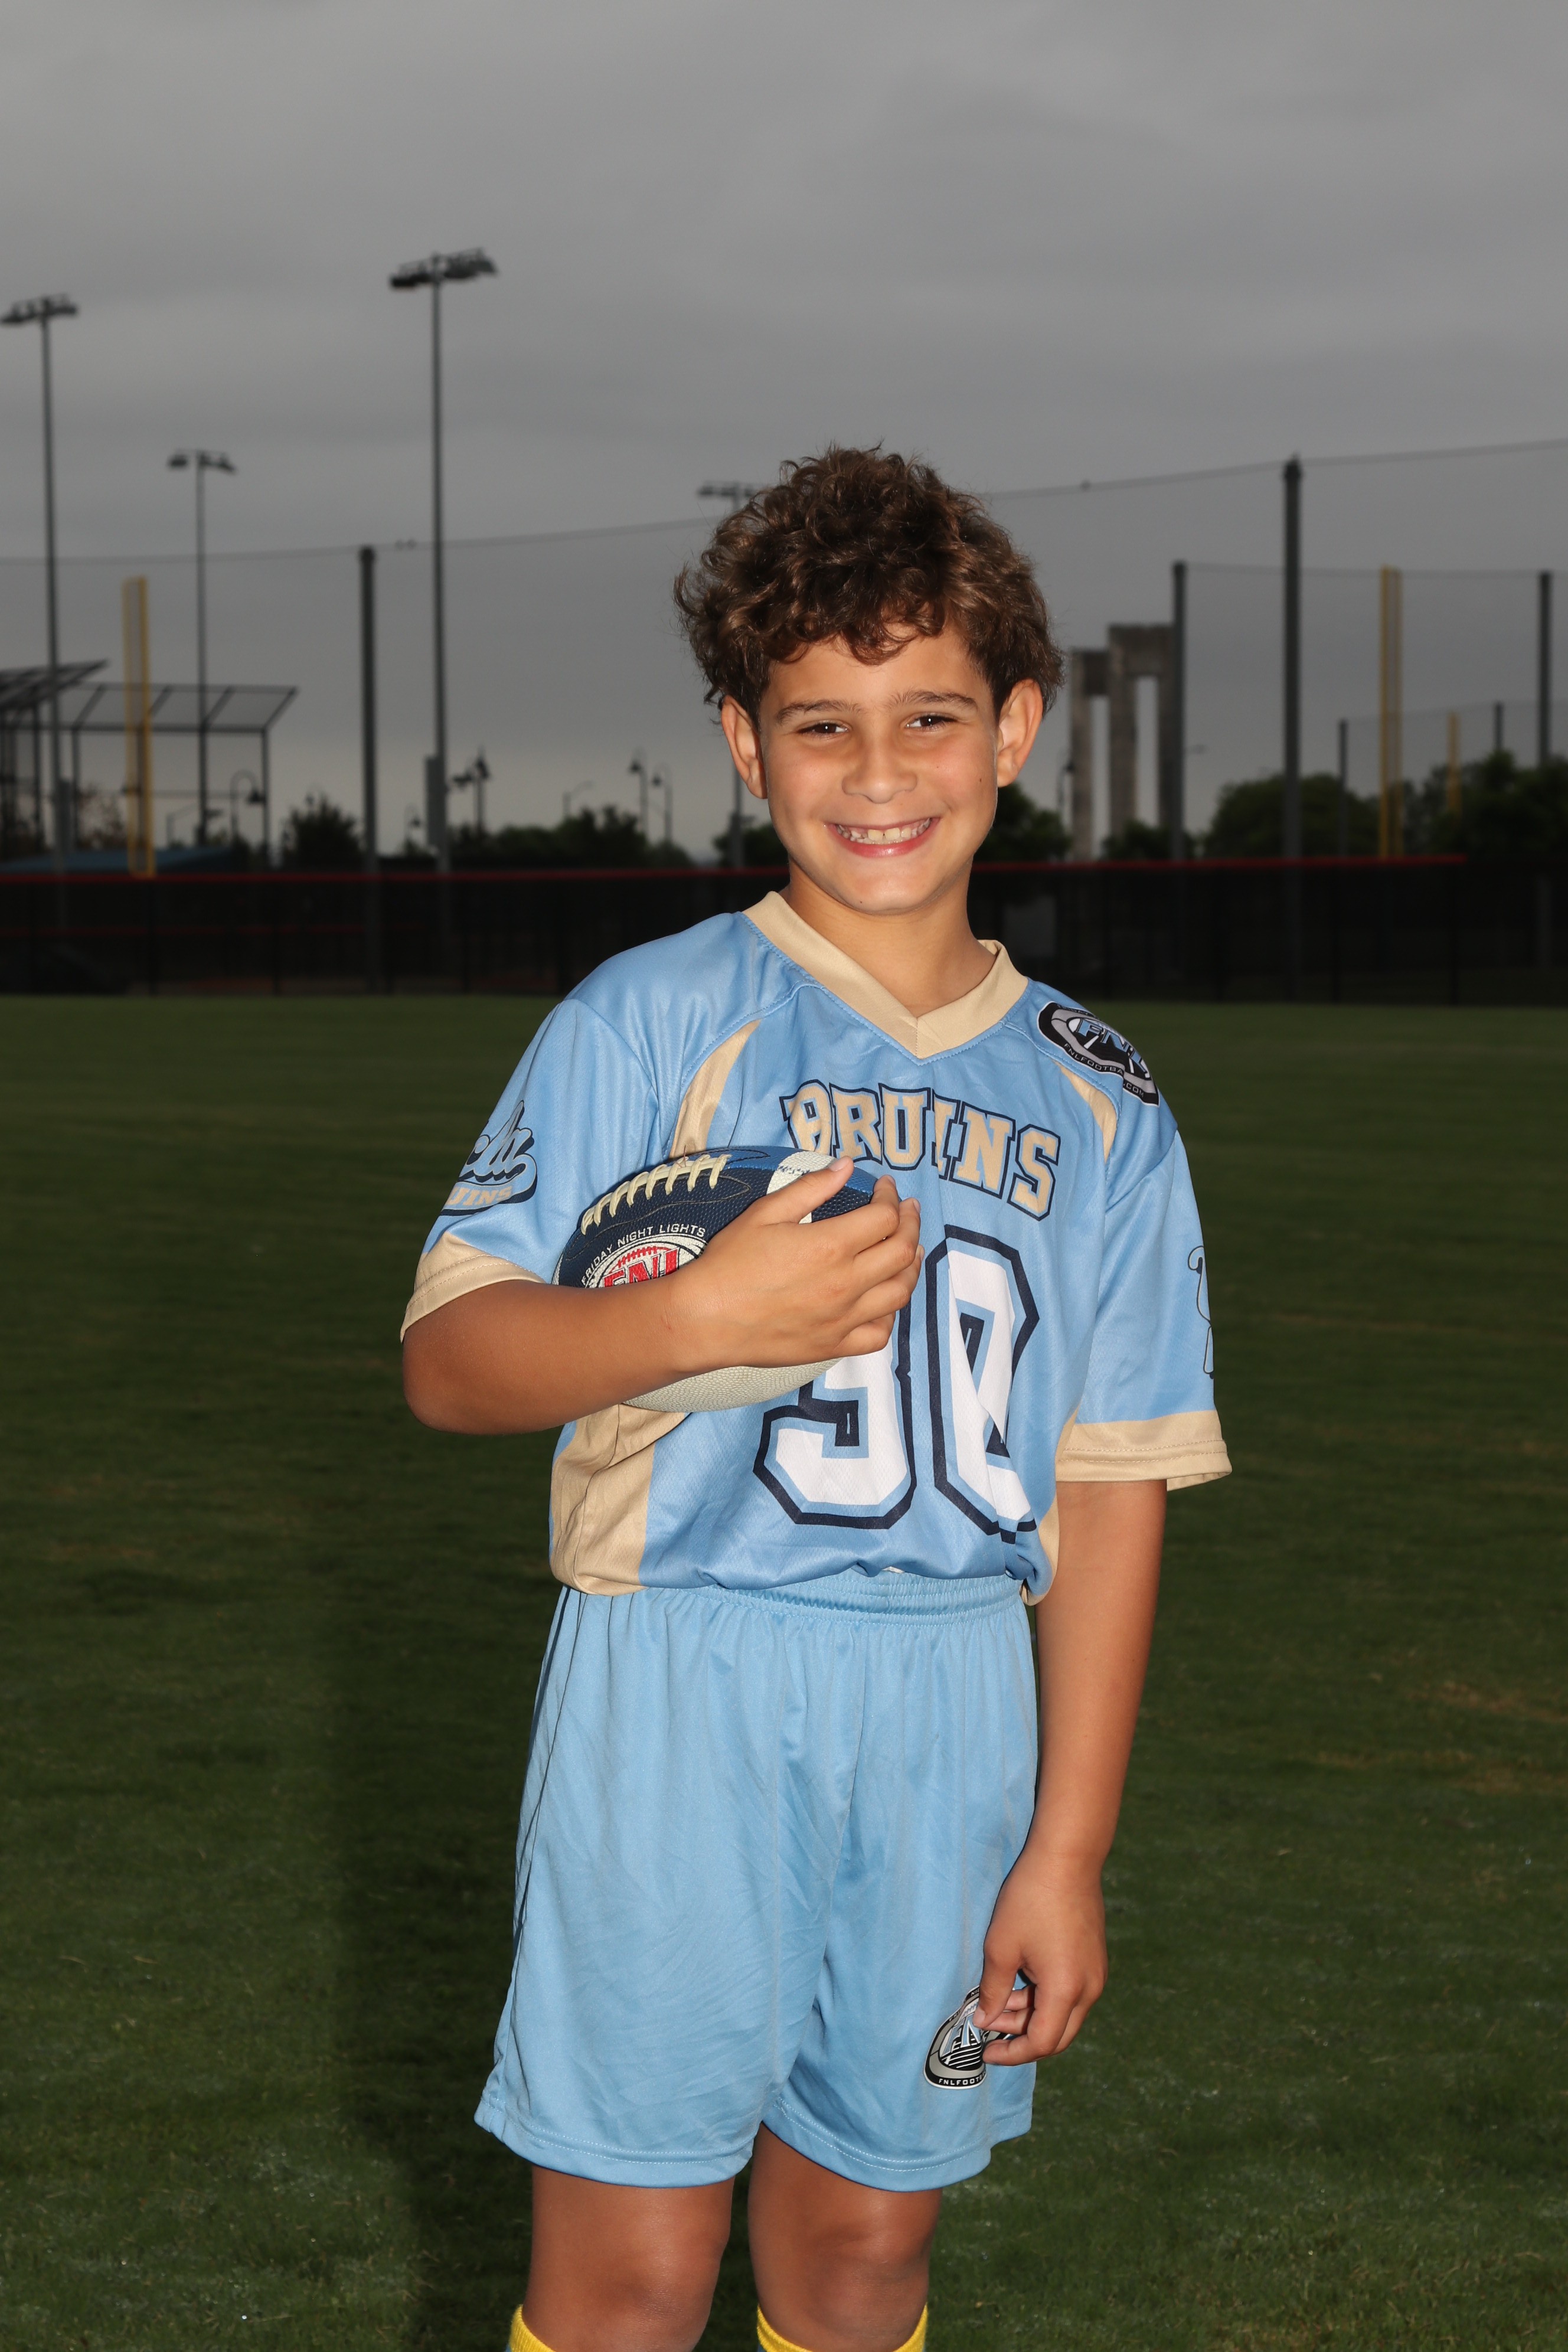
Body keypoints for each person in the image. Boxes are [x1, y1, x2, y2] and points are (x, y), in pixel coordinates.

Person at [401, 446, 1230, 2352]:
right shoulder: (648, 1020)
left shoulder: (1100, 1095)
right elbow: (451, 1362)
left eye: (928, 715)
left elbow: (1109, 1487)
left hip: (957, 1707)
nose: (878, 772)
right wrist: (691, 1320)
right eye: (820, 724)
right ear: (743, 744)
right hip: (678, 1682)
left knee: (863, 2254)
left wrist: (1069, 1851)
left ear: (1014, 727)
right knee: (629, 2279)